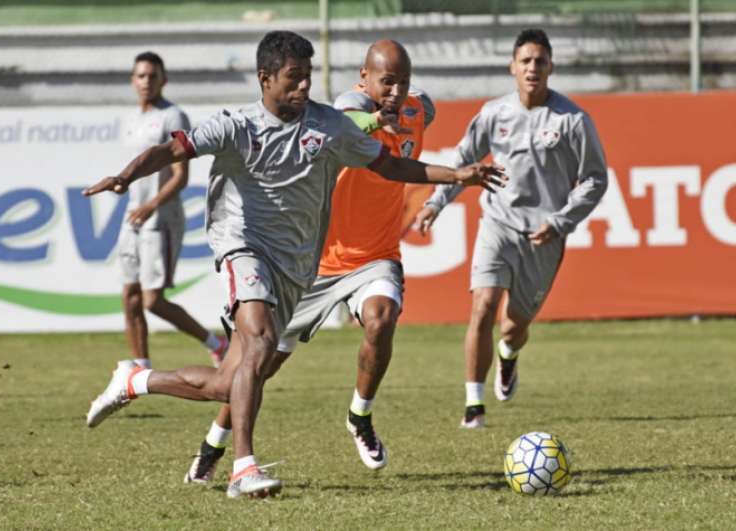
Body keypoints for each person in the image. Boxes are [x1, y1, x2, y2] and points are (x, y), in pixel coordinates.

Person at [83, 31, 506, 500]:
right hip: (242, 246)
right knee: (261, 341)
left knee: (232, 381)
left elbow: (389, 167)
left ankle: (136, 380)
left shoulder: (327, 127)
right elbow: (174, 150)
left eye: (307, 77)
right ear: (265, 79)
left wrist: (458, 175)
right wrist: (126, 174)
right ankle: (243, 469)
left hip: (297, 264)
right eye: (294, 78)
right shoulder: (235, 125)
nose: (304, 87)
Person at [183, 39, 441, 484]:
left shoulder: (421, 108)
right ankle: (214, 444)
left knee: (381, 320)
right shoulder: (347, 109)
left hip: (375, 257)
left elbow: (420, 116)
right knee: (258, 365)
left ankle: (360, 415)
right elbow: (351, 116)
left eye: (403, 82)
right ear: (365, 77)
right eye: (386, 81)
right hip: (313, 262)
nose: (396, 91)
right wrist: (374, 116)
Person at [416, 28, 608, 429]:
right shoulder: (493, 114)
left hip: (544, 235)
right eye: (525, 61)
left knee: (514, 325)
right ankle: (473, 405)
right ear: (513, 67)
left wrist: (560, 221)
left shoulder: (572, 120)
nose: (532, 68)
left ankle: (508, 353)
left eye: (540, 61)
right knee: (483, 304)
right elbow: (464, 163)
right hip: (498, 223)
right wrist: (435, 203)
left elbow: (595, 178)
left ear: (551, 66)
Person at [118, 51, 227, 369]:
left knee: (152, 300)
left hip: (161, 218)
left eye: (152, 75)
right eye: (141, 75)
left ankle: (217, 343)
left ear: (163, 80)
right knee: (130, 296)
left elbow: (180, 177)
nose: (146, 81)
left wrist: (151, 205)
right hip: (133, 218)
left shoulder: (173, 116)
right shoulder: (130, 121)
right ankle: (140, 367)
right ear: (132, 80)